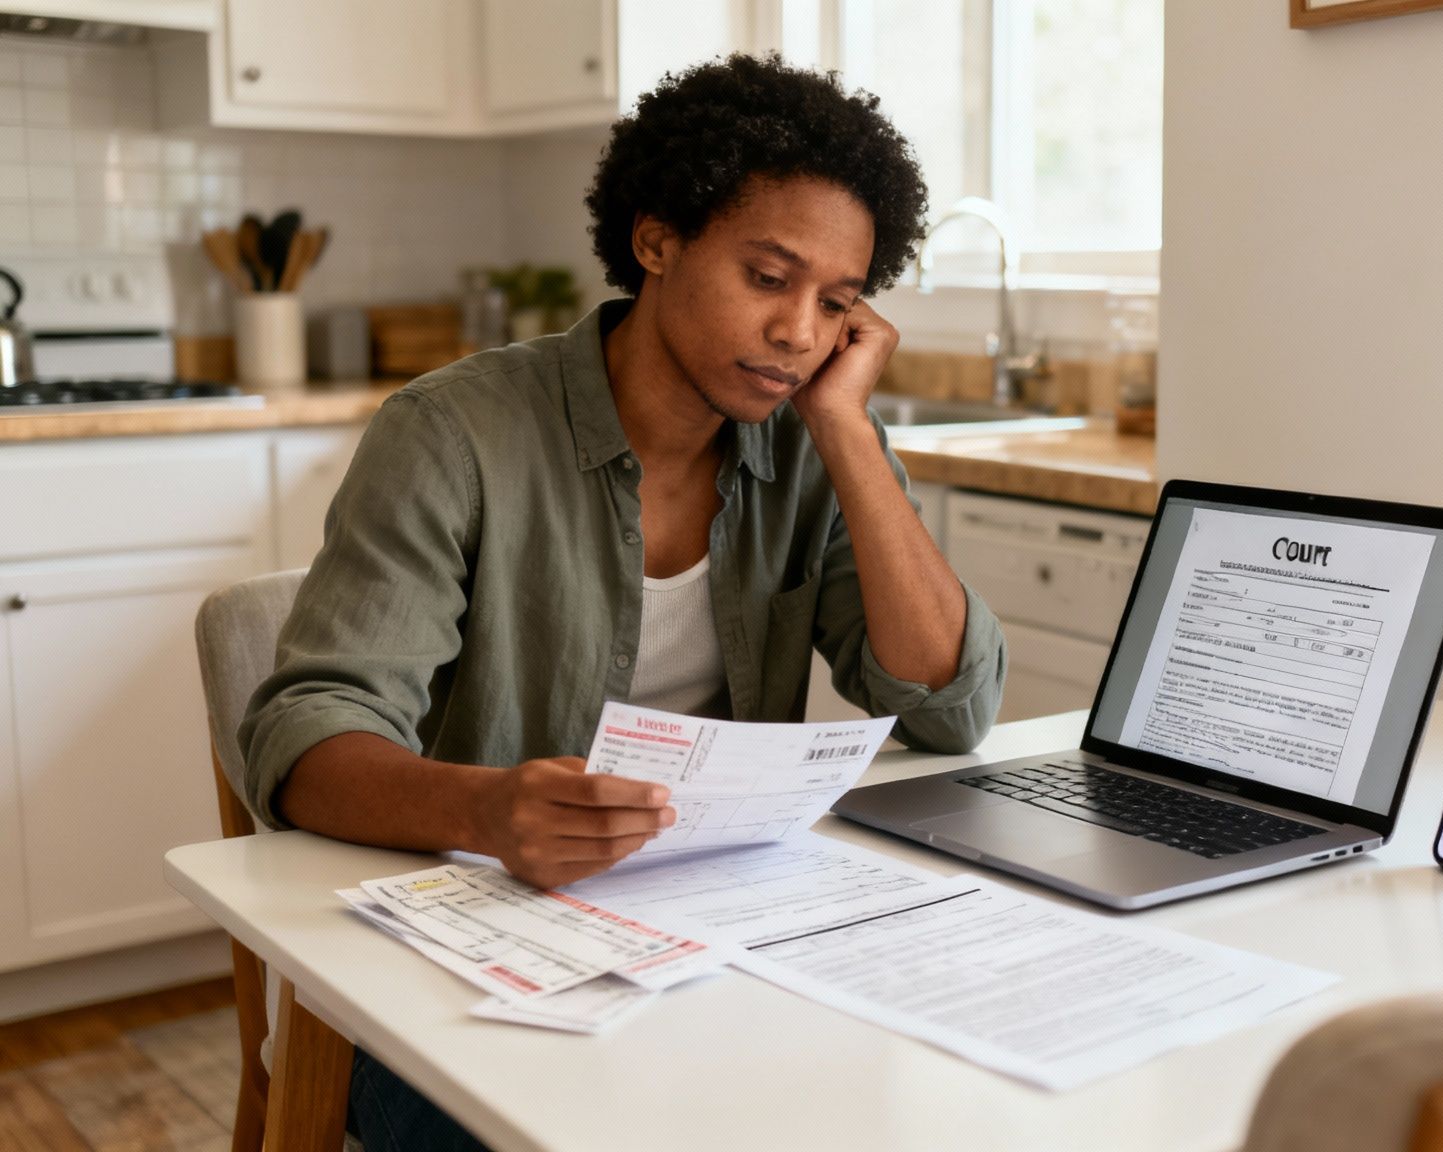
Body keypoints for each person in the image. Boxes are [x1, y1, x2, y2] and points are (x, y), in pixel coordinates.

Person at [236, 54, 1006, 1151]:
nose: (798, 331)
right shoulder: (453, 435)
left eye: (834, 302)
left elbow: (945, 704)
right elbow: (305, 736)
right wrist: (488, 810)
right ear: (655, 241)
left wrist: (844, 432)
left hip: (710, 940)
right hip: (459, 966)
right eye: (767, 276)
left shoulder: (810, 440)